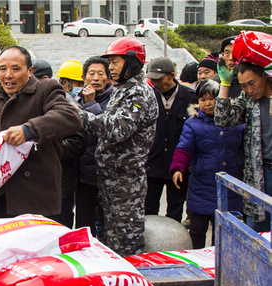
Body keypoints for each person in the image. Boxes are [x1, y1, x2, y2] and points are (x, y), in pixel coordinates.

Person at [0, 46, 82, 220]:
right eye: (2, 69)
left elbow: (70, 116)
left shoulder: (45, 89)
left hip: (35, 198)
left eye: (15, 68)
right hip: (0, 196)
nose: (8, 75)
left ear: (30, 71)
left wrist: (28, 130)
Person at [79, 37, 159, 256]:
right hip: (112, 179)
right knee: (109, 237)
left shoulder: (138, 92)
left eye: (115, 62)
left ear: (132, 62)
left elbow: (117, 130)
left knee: (125, 242)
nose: (110, 68)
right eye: (110, 62)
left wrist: (78, 114)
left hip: (126, 182)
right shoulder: (122, 89)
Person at [171, 80, 244, 248]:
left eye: (213, 98)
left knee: (224, 232)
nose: (208, 103)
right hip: (202, 184)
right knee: (197, 230)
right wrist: (178, 168)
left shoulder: (235, 121)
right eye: (203, 99)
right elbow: (184, 148)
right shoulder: (193, 123)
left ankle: (219, 266)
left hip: (230, 184)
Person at [215, 60, 272, 231]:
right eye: (243, 86)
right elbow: (222, 119)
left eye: (252, 84)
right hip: (260, 173)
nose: (249, 90)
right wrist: (225, 84)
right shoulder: (248, 99)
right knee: (257, 230)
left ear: (264, 76)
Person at [144, 57, 197, 222]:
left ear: (172, 75)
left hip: (178, 165)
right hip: (153, 162)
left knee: (175, 208)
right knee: (149, 208)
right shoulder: (148, 96)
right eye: (153, 79)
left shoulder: (191, 97)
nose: (156, 83)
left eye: (159, 79)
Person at [36, 59, 87, 228]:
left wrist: (47, 149)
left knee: (59, 232)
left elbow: (77, 143)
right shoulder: (30, 102)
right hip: (36, 187)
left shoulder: (67, 106)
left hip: (61, 185)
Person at [74, 56, 114, 235]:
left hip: (106, 175)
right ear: (84, 78)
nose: (96, 78)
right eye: (91, 73)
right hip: (82, 174)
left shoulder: (115, 101)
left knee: (107, 224)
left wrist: (91, 103)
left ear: (109, 78)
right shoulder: (75, 100)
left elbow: (106, 129)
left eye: (100, 73)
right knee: (84, 223)